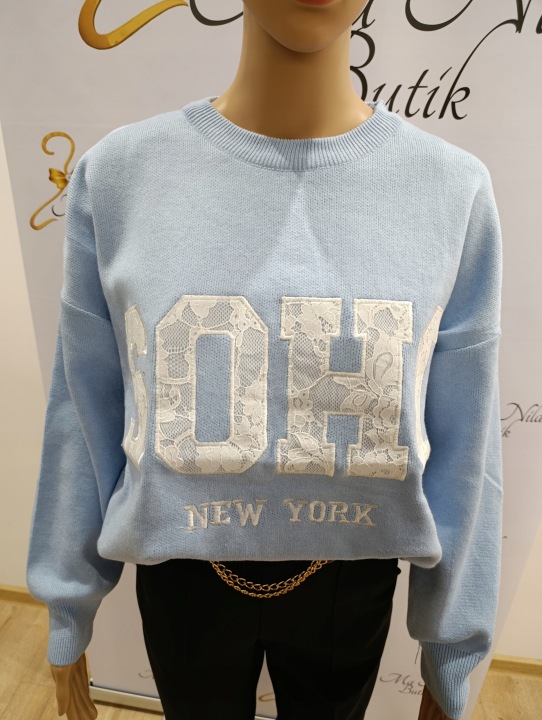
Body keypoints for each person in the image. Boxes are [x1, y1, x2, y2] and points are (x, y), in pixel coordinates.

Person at [26, 1, 503, 719]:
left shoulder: (449, 190)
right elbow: (82, 411)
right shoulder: (122, 175)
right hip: (182, 576)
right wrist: (69, 608)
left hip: (351, 576)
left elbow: (469, 449)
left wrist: (452, 650)